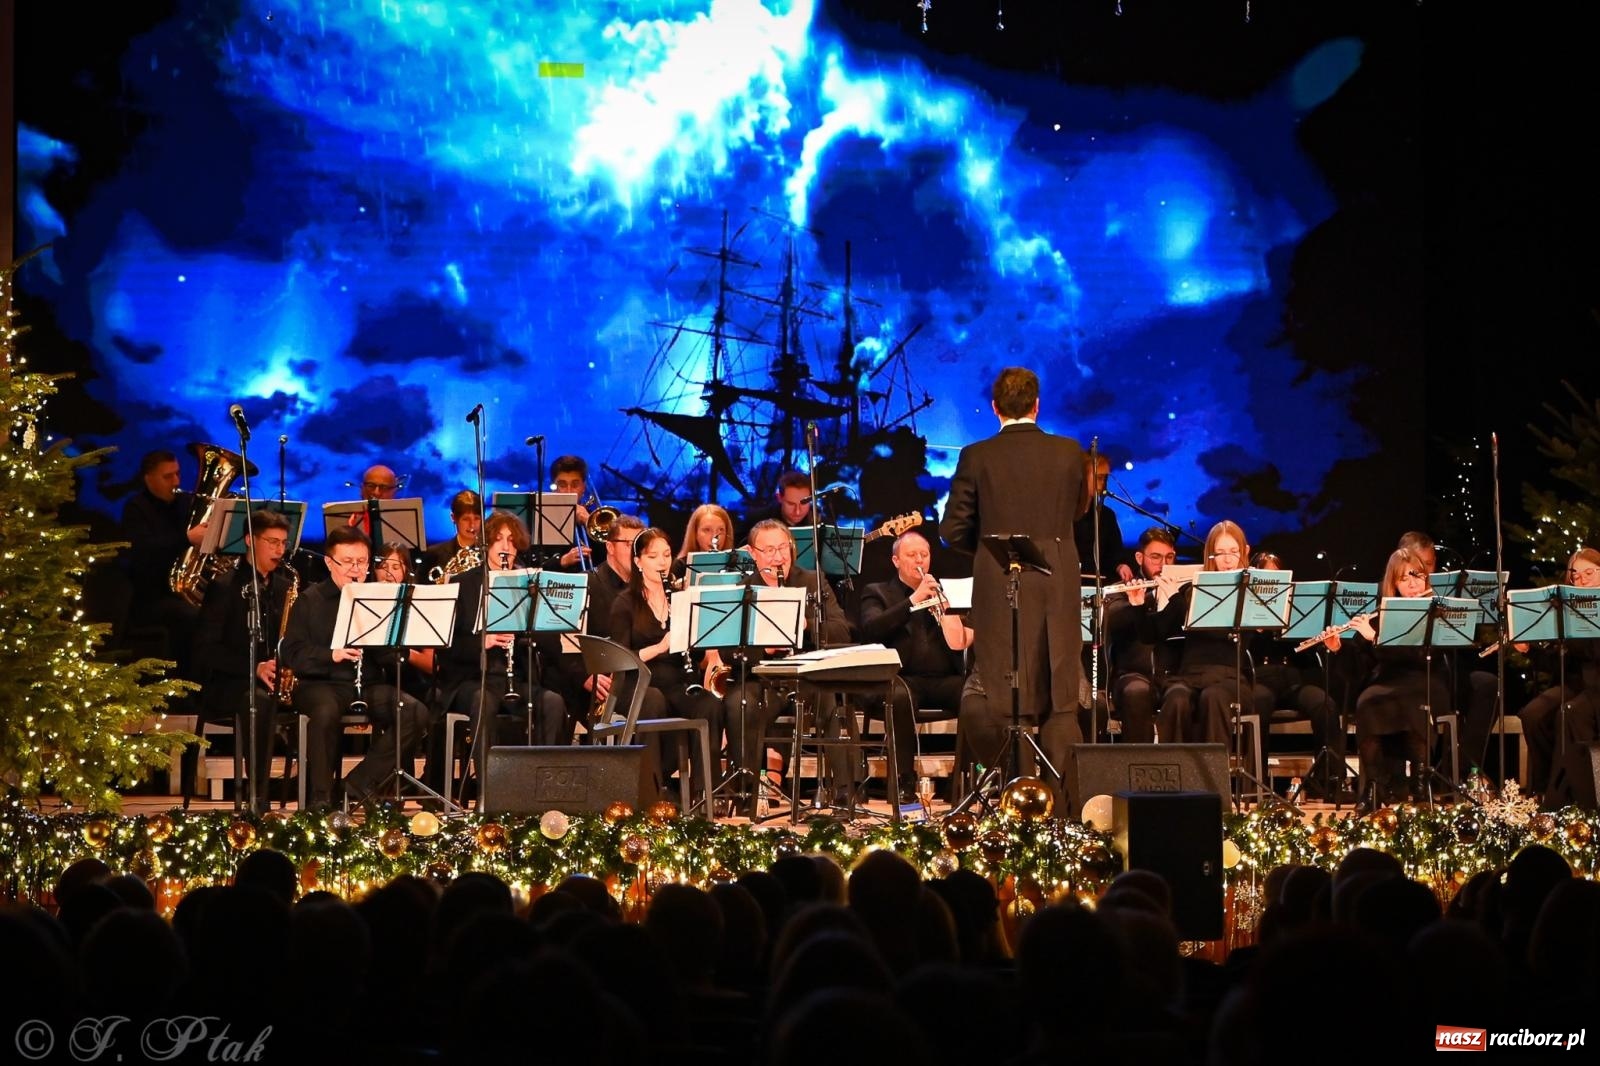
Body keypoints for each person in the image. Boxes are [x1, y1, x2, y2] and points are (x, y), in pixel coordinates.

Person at [939, 366, 1091, 805]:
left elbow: (953, 528)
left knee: (1010, 692)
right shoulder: (1068, 453)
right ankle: (1064, 808)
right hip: (1058, 581)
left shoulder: (977, 455)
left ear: (995, 408)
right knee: (1060, 693)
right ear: (1037, 405)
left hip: (1000, 583)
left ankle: (1017, 802)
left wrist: (992, 551)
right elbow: (1078, 513)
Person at [278, 526, 429, 809]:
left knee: (414, 712)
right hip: (321, 683)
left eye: (362, 562)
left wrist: (393, 630)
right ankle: (320, 799)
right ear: (329, 562)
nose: (355, 569)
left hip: (366, 684)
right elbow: (292, 653)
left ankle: (356, 785)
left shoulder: (377, 597)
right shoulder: (311, 600)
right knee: (324, 712)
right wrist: (331, 655)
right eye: (347, 562)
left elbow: (386, 658)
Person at [717, 519, 853, 805]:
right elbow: (728, 652)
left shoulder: (812, 581)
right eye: (768, 550)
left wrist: (804, 624)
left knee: (829, 698)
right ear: (753, 554)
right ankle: (747, 792)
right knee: (738, 702)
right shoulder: (744, 589)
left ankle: (843, 793)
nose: (778, 557)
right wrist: (763, 648)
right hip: (761, 680)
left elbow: (842, 630)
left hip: (805, 675)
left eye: (783, 548)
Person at [433, 511, 567, 798]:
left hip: (516, 678)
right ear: (487, 545)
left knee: (553, 703)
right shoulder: (463, 584)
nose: (505, 547)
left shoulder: (529, 584)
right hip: (470, 680)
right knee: (484, 700)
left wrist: (531, 623)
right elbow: (446, 648)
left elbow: (552, 645)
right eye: (498, 540)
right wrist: (484, 641)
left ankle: (541, 792)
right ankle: (488, 794)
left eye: (511, 541)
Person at [607, 528, 725, 805]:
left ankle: (704, 795)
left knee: (709, 704)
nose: (662, 562)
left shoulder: (680, 599)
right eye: (653, 556)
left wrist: (702, 643)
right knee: (654, 700)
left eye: (667, 555)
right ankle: (652, 791)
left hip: (677, 683)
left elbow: (696, 656)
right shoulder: (624, 603)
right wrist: (661, 646)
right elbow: (621, 659)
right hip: (638, 686)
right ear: (638, 562)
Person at [190, 509, 294, 811]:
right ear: (250, 540)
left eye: (283, 543)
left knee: (319, 699)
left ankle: (314, 796)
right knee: (258, 703)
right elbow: (205, 650)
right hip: (229, 684)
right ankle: (258, 796)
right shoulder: (224, 587)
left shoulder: (284, 587)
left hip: (270, 681)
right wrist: (255, 668)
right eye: (272, 542)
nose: (279, 550)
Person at [857, 530, 969, 803]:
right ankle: (903, 782)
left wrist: (947, 612)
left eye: (924, 554)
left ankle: (961, 780)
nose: (920, 559)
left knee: (974, 694)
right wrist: (912, 601)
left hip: (942, 679)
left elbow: (963, 638)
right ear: (896, 560)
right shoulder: (877, 592)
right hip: (900, 679)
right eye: (911, 555)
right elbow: (871, 629)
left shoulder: (945, 591)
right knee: (899, 696)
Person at [1144, 520, 1274, 745]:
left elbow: (1264, 639)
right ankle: (1174, 775)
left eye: (1233, 552)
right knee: (1176, 698)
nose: (1227, 559)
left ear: (1245, 552)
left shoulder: (1252, 591)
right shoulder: (1191, 589)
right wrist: (1174, 599)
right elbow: (1154, 634)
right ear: (1209, 555)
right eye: (1220, 553)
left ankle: (1214, 777)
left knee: (1213, 697)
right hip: (1190, 676)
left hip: (1231, 678)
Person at [1342, 547, 1453, 808]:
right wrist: (1339, 647)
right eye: (1405, 578)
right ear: (1393, 584)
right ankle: (1373, 786)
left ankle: (1420, 779)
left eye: (1418, 576)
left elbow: (1418, 656)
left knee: (1414, 699)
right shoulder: (1382, 613)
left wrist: (1375, 638)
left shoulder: (1436, 612)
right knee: (1366, 702)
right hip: (1387, 682)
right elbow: (1360, 666)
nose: (1413, 584)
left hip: (1426, 678)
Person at [1247, 550, 1347, 799]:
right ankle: (1255, 784)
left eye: (1277, 576)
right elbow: (1242, 652)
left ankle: (1327, 783)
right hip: (1260, 677)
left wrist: (1325, 644)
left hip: (1292, 679)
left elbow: (1305, 656)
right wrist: (1256, 629)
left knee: (1325, 704)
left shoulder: (1294, 606)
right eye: (1266, 576)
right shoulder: (1245, 605)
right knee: (1258, 703)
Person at [1516, 547, 1600, 804]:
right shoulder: (1566, 608)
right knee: (1532, 715)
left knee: (1569, 713)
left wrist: (1567, 632)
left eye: (1589, 573)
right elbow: (1557, 665)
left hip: (1597, 687)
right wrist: (1530, 650)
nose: (1582, 580)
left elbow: (1593, 652)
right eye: (1576, 576)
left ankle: (1575, 800)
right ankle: (1543, 789)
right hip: (1575, 684)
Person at [119, 448, 206, 668]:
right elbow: (144, 551)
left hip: (180, 593)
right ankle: (187, 683)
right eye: (168, 476)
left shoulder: (184, 505)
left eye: (177, 474)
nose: (176, 481)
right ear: (148, 479)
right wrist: (187, 538)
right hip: (151, 597)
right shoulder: (136, 508)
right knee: (191, 617)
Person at [1102, 528, 1180, 744]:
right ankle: (1139, 768)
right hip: (1132, 675)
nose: (1163, 564)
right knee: (1136, 692)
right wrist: (1143, 600)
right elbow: (1112, 617)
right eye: (1155, 557)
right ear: (1139, 557)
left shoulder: (1180, 592)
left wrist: (1173, 599)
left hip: (1172, 676)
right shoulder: (1122, 589)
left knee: (1184, 694)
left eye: (1169, 557)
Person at [1073, 452, 1133, 584]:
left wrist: (1121, 565)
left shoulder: (1107, 516)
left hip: (1099, 587)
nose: (1103, 483)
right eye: (1099, 478)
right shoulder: (1064, 514)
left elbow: (1115, 551)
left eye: (1105, 478)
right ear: (1082, 477)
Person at [422, 490, 482, 581]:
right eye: (466, 519)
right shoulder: (433, 554)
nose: (472, 525)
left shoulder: (489, 553)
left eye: (477, 518)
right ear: (453, 518)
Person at [672, 503, 738, 584]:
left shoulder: (737, 564)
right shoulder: (681, 567)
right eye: (707, 530)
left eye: (721, 530)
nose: (715, 537)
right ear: (695, 533)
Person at [746, 471, 814, 530]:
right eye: (791, 504)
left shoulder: (818, 520)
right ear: (779, 498)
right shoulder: (756, 521)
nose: (797, 511)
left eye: (804, 503)